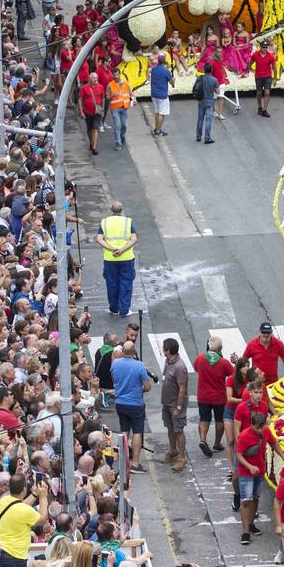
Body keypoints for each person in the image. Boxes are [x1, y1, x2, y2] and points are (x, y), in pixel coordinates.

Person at [0, 475, 49, 567]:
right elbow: (43, 518)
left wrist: (34, 494)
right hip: (15, 556)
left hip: (0, 551)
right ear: (24, 489)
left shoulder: (3, 501)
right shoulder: (24, 511)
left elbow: (18, 505)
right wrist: (43, 497)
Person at [235, 410, 275, 546]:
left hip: (259, 472)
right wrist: (250, 466)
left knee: (255, 498)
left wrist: (283, 457)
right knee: (246, 501)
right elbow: (239, 455)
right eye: (257, 427)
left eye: (261, 427)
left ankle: (251, 524)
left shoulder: (266, 432)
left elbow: (274, 443)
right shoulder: (244, 436)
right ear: (252, 425)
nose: (259, 430)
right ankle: (245, 532)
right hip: (246, 473)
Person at [110, 340, 152, 472]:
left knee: (124, 431)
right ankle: (135, 463)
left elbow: (114, 381)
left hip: (120, 402)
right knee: (138, 432)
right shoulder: (139, 366)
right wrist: (141, 389)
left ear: (122, 351)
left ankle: (123, 460)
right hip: (135, 403)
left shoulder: (115, 364)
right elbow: (147, 386)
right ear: (134, 352)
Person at [97, 201, 138, 317]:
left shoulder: (104, 222)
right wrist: (122, 250)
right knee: (126, 283)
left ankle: (113, 309)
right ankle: (124, 310)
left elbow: (99, 239)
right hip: (127, 258)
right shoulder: (127, 221)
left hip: (110, 258)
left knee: (112, 284)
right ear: (121, 210)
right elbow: (134, 239)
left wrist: (112, 249)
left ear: (111, 210)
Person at [194, 334, 232, 458]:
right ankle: (216, 444)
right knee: (220, 420)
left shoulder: (200, 359)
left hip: (203, 395)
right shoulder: (224, 362)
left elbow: (196, 369)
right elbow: (232, 374)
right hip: (219, 396)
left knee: (204, 419)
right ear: (220, 348)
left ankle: (203, 440)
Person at [160, 337, 190, 472]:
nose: (162, 350)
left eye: (164, 348)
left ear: (168, 350)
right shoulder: (168, 361)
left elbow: (182, 389)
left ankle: (182, 457)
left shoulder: (180, 367)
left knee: (178, 430)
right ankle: (172, 451)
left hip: (175, 404)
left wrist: (178, 407)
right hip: (166, 402)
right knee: (170, 428)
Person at [243, 322, 284, 386]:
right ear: (259, 332)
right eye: (264, 332)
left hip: (273, 383)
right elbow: (244, 361)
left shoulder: (278, 344)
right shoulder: (251, 345)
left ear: (271, 333)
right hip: (257, 384)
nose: (266, 335)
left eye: (268, 332)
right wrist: (249, 375)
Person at [149, 54, 174, 137]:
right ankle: (158, 131)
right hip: (162, 95)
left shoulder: (154, 69)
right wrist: (173, 80)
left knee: (157, 112)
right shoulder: (166, 71)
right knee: (161, 113)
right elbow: (172, 83)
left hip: (154, 93)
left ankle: (156, 128)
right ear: (165, 61)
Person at [196, 62, 219, 144]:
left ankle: (198, 136)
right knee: (208, 120)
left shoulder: (199, 78)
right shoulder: (214, 80)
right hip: (209, 102)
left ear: (204, 69)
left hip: (201, 101)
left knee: (200, 119)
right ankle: (207, 137)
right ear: (211, 70)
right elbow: (218, 91)